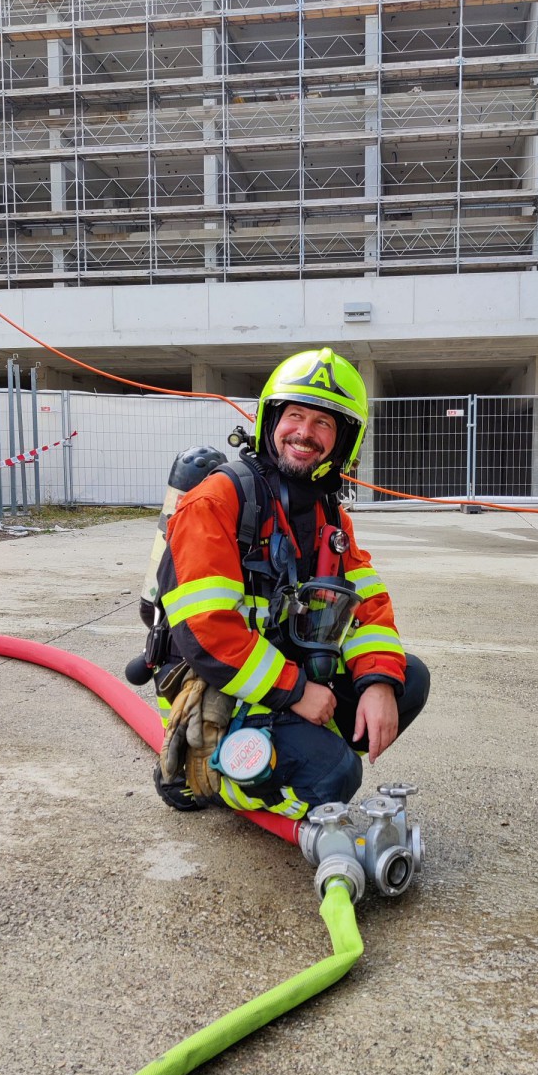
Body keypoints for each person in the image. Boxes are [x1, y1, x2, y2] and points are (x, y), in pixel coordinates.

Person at [151, 347, 430, 817]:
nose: (305, 432)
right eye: (295, 415)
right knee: (335, 775)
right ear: (271, 421)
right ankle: (208, 775)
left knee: (408, 679)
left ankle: (295, 752)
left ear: (343, 441)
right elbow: (206, 631)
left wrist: (379, 682)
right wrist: (297, 691)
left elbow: (367, 605)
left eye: (323, 422)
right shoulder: (217, 501)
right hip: (223, 687)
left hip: (286, 675)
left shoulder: (329, 515)